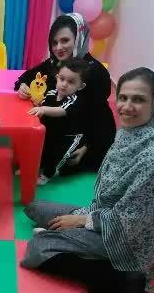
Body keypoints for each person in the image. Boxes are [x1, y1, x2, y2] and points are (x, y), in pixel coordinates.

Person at [20, 67, 154, 293]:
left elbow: (133, 220)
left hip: (132, 243)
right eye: (123, 97)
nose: (126, 106)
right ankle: (95, 260)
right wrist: (84, 217)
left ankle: (121, 279)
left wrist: (80, 221)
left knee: (36, 249)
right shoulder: (131, 134)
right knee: (35, 207)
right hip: (105, 216)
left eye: (139, 99)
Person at [14, 13, 116, 174]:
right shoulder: (54, 63)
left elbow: (98, 115)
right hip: (53, 128)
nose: (58, 47)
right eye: (54, 42)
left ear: (79, 38)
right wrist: (23, 86)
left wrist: (87, 146)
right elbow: (24, 78)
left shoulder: (95, 72)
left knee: (60, 164)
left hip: (80, 135)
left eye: (65, 40)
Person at [29, 58, 89, 185]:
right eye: (62, 79)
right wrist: (36, 104)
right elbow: (42, 104)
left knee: (56, 157)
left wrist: (43, 109)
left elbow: (61, 110)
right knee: (42, 150)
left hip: (67, 137)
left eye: (71, 82)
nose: (64, 84)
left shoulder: (73, 99)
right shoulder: (51, 93)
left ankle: (48, 175)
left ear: (80, 86)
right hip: (50, 132)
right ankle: (36, 167)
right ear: (57, 77)